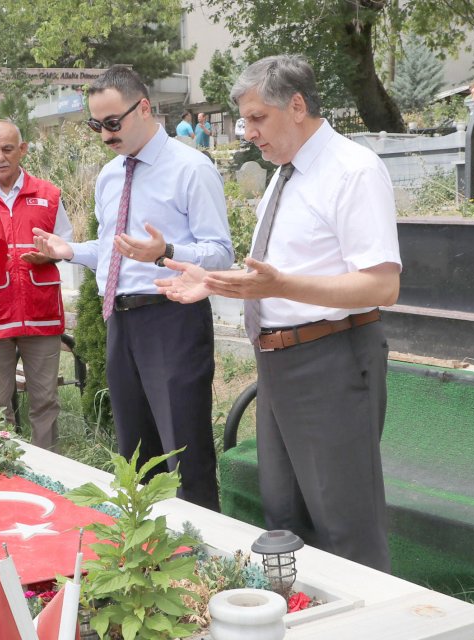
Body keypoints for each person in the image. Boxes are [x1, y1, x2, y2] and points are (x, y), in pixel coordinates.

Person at [156, 55, 401, 572]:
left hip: (332, 359)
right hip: (279, 363)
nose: (248, 133)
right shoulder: (284, 175)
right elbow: (277, 278)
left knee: (344, 526)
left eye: (256, 118)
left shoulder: (352, 170)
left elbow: (382, 285)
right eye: (244, 120)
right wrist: (215, 283)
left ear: (296, 106)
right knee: (285, 520)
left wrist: (281, 284)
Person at [32, 65, 234, 511]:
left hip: (172, 317)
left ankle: (203, 562)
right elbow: (113, 249)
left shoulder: (190, 169)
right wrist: (71, 250)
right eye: (95, 125)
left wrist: (166, 252)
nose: (104, 135)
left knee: (184, 452)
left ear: (143, 108)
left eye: (112, 123)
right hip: (121, 322)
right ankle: (147, 559)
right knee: (137, 455)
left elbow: (221, 252)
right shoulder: (110, 175)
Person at [0, 120, 72, 452]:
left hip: (39, 312)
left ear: (22, 150)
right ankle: (6, 471)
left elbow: (66, 244)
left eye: (8, 149)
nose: (0, 157)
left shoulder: (48, 194)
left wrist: (49, 257)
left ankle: (50, 471)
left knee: (45, 401)